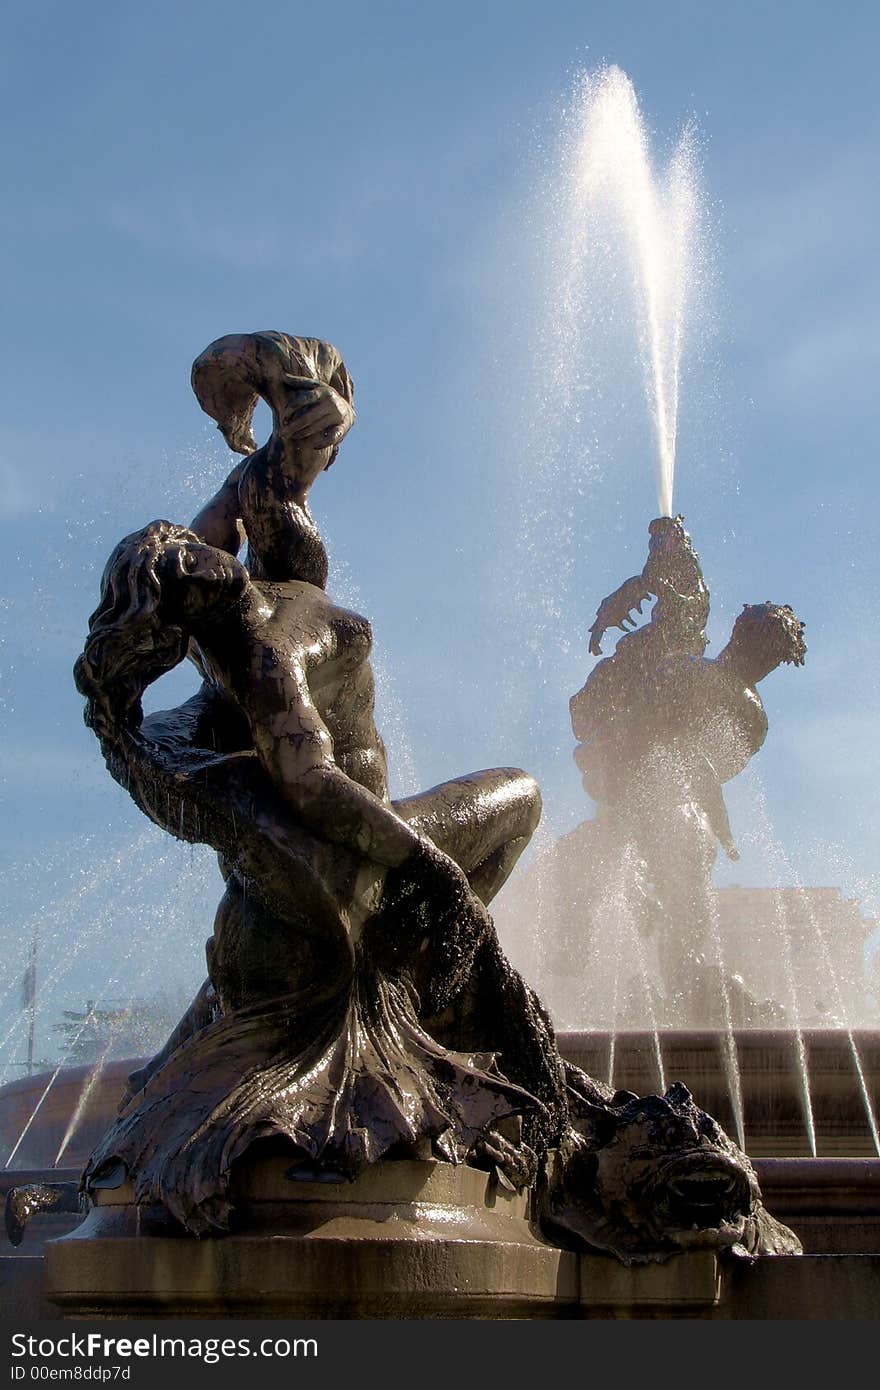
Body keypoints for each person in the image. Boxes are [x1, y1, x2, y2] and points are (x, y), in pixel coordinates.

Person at [570, 515, 805, 1022]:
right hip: (679, 810)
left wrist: (603, 753)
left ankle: (673, 987)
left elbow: (633, 731)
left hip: (655, 800)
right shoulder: (750, 713)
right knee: (683, 896)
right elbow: (709, 766)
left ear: (739, 633)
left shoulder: (696, 675)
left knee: (670, 888)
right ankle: (685, 984)